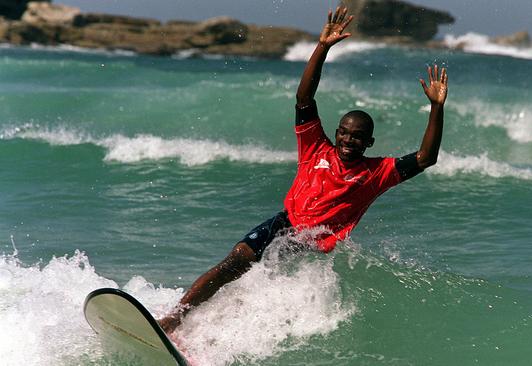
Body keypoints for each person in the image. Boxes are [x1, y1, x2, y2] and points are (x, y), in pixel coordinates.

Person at [158, 7, 448, 334]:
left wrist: (436, 108)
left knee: (257, 283)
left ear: (369, 142)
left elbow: (426, 157)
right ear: (336, 133)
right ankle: (175, 318)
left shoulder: (376, 172)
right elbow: (304, 97)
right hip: (285, 223)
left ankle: (218, 332)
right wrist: (322, 47)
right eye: (344, 132)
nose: (348, 139)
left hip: (312, 245)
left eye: (357, 136)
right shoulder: (315, 146)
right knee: (234, 261)